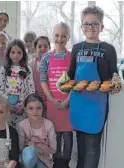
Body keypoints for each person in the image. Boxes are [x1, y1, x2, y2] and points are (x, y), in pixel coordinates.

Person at [56, 6, 122, 168]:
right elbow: (71, 75)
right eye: (86, 24)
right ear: (81, 27)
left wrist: (116, 84)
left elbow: (113, 75)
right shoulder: (77, 48)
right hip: (79, 103)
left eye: (94, 24)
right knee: (81, 144)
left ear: (102, 26)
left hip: (97, 105)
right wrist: (62, 84)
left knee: (92, 145)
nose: (90, 27)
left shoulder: (108, 49)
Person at [39, 22, 73, 168]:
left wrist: (67, 101)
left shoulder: (73, 57)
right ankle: (55, 163)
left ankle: (65, 163)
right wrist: (52, 100)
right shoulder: (46, 58)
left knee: (68, 136)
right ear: (53, 36)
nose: (60, 39)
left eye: (64, 36)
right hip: (52, 103)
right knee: (54, 136)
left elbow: (75, 81)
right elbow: (43, 81)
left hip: (69, 104)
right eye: (57, 35)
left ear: (68, 37)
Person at [0, 39, 35, 128]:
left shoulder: (27, 69)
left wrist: (24, 104)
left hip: (22, 108)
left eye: (19, 52)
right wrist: (8, 103)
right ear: (8, 53)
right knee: (8, 132)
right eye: (13, 52)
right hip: (7, 108)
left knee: (22, 133)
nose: (16, 55)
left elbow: (31, 89)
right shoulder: (4, 69)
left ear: (23, 54)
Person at [18, 93, 56, 168]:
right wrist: (32, 150)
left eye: (38, 108)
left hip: (44, 158)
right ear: (25, 109)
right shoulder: (22, 125)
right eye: (31, 108)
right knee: (30, 154)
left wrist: (38, 147)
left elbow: (53, 149)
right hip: (27, 158)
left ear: (43, 109)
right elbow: (20, 148)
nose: (35, 111)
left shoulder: (49, 124)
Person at [29, 36, 51, 102]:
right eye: (39, 46)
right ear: (35, 49)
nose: (42, 49)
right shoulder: (31, 64)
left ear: (49, 48)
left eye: (45, 46)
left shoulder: (53, 63)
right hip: (34, 99)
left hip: (49, 99)